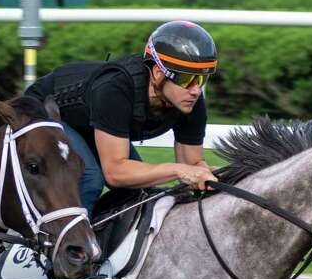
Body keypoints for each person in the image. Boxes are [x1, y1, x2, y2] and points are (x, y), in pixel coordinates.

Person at [25, 20, 219, 216]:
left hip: (88, 120)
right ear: (158, 73)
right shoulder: (116, 88)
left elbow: (192, 164)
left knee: (138, 191)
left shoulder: (191, 102)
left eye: (202, 79)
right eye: (187, 79)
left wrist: (208, 174)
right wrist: (178, 170)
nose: (195, 90)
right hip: (44, 109)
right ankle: (58, 245)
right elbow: (115, 173)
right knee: (90, 179)